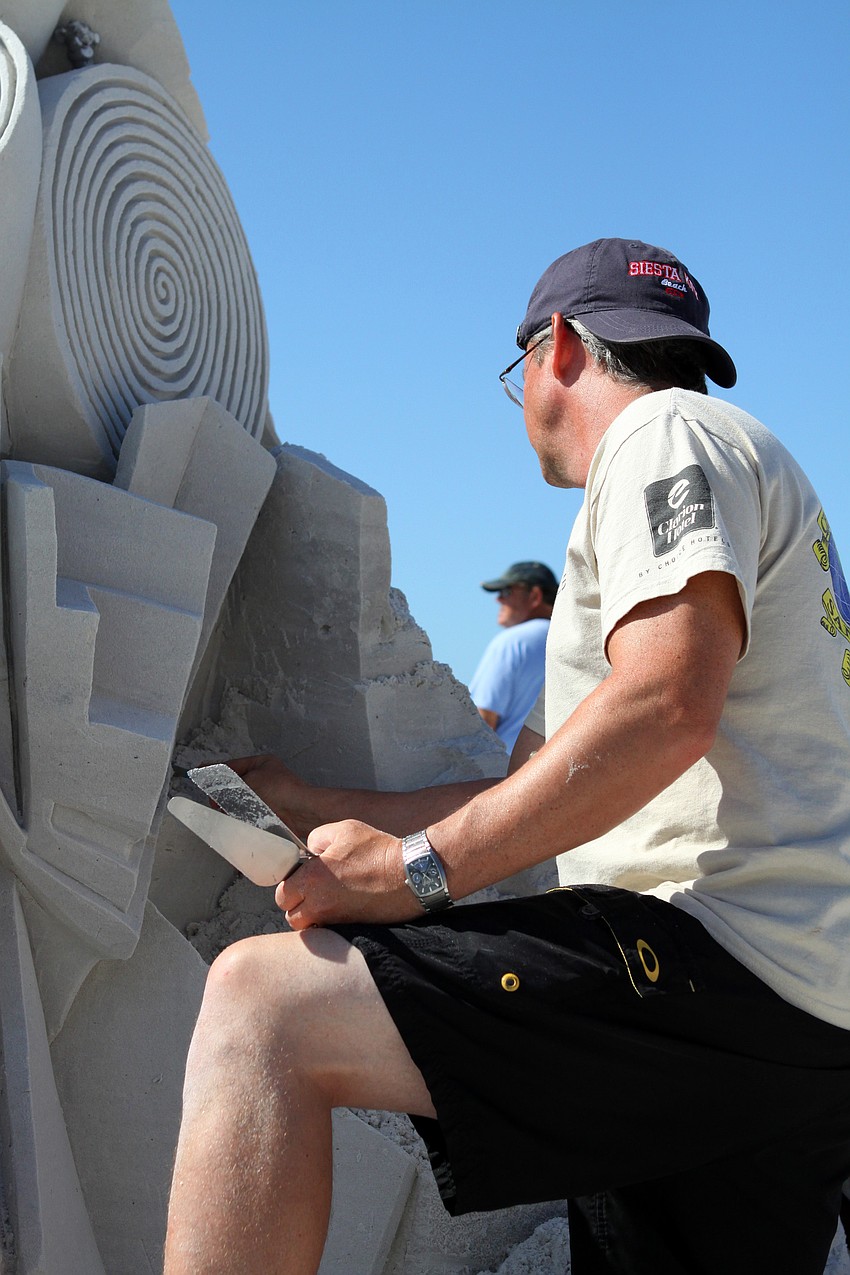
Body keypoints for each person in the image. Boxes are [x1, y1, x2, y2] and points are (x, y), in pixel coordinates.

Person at [164, 237, 850, 1275]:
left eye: (513, 370)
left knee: (265, 1007)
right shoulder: (724, 467)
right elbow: (532, 786)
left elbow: (667, 705)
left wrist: (412, 874)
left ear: (557, 349)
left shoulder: (664, 434)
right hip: (792, 1009)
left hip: (722, 960)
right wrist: (316, 802)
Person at [468, 560, 557, 752]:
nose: (498, 600)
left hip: (511, 771)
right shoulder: (576, 639)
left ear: (535, 596)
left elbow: (482, 722)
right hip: (565, 770)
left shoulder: (512, 642)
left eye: (506, 592)